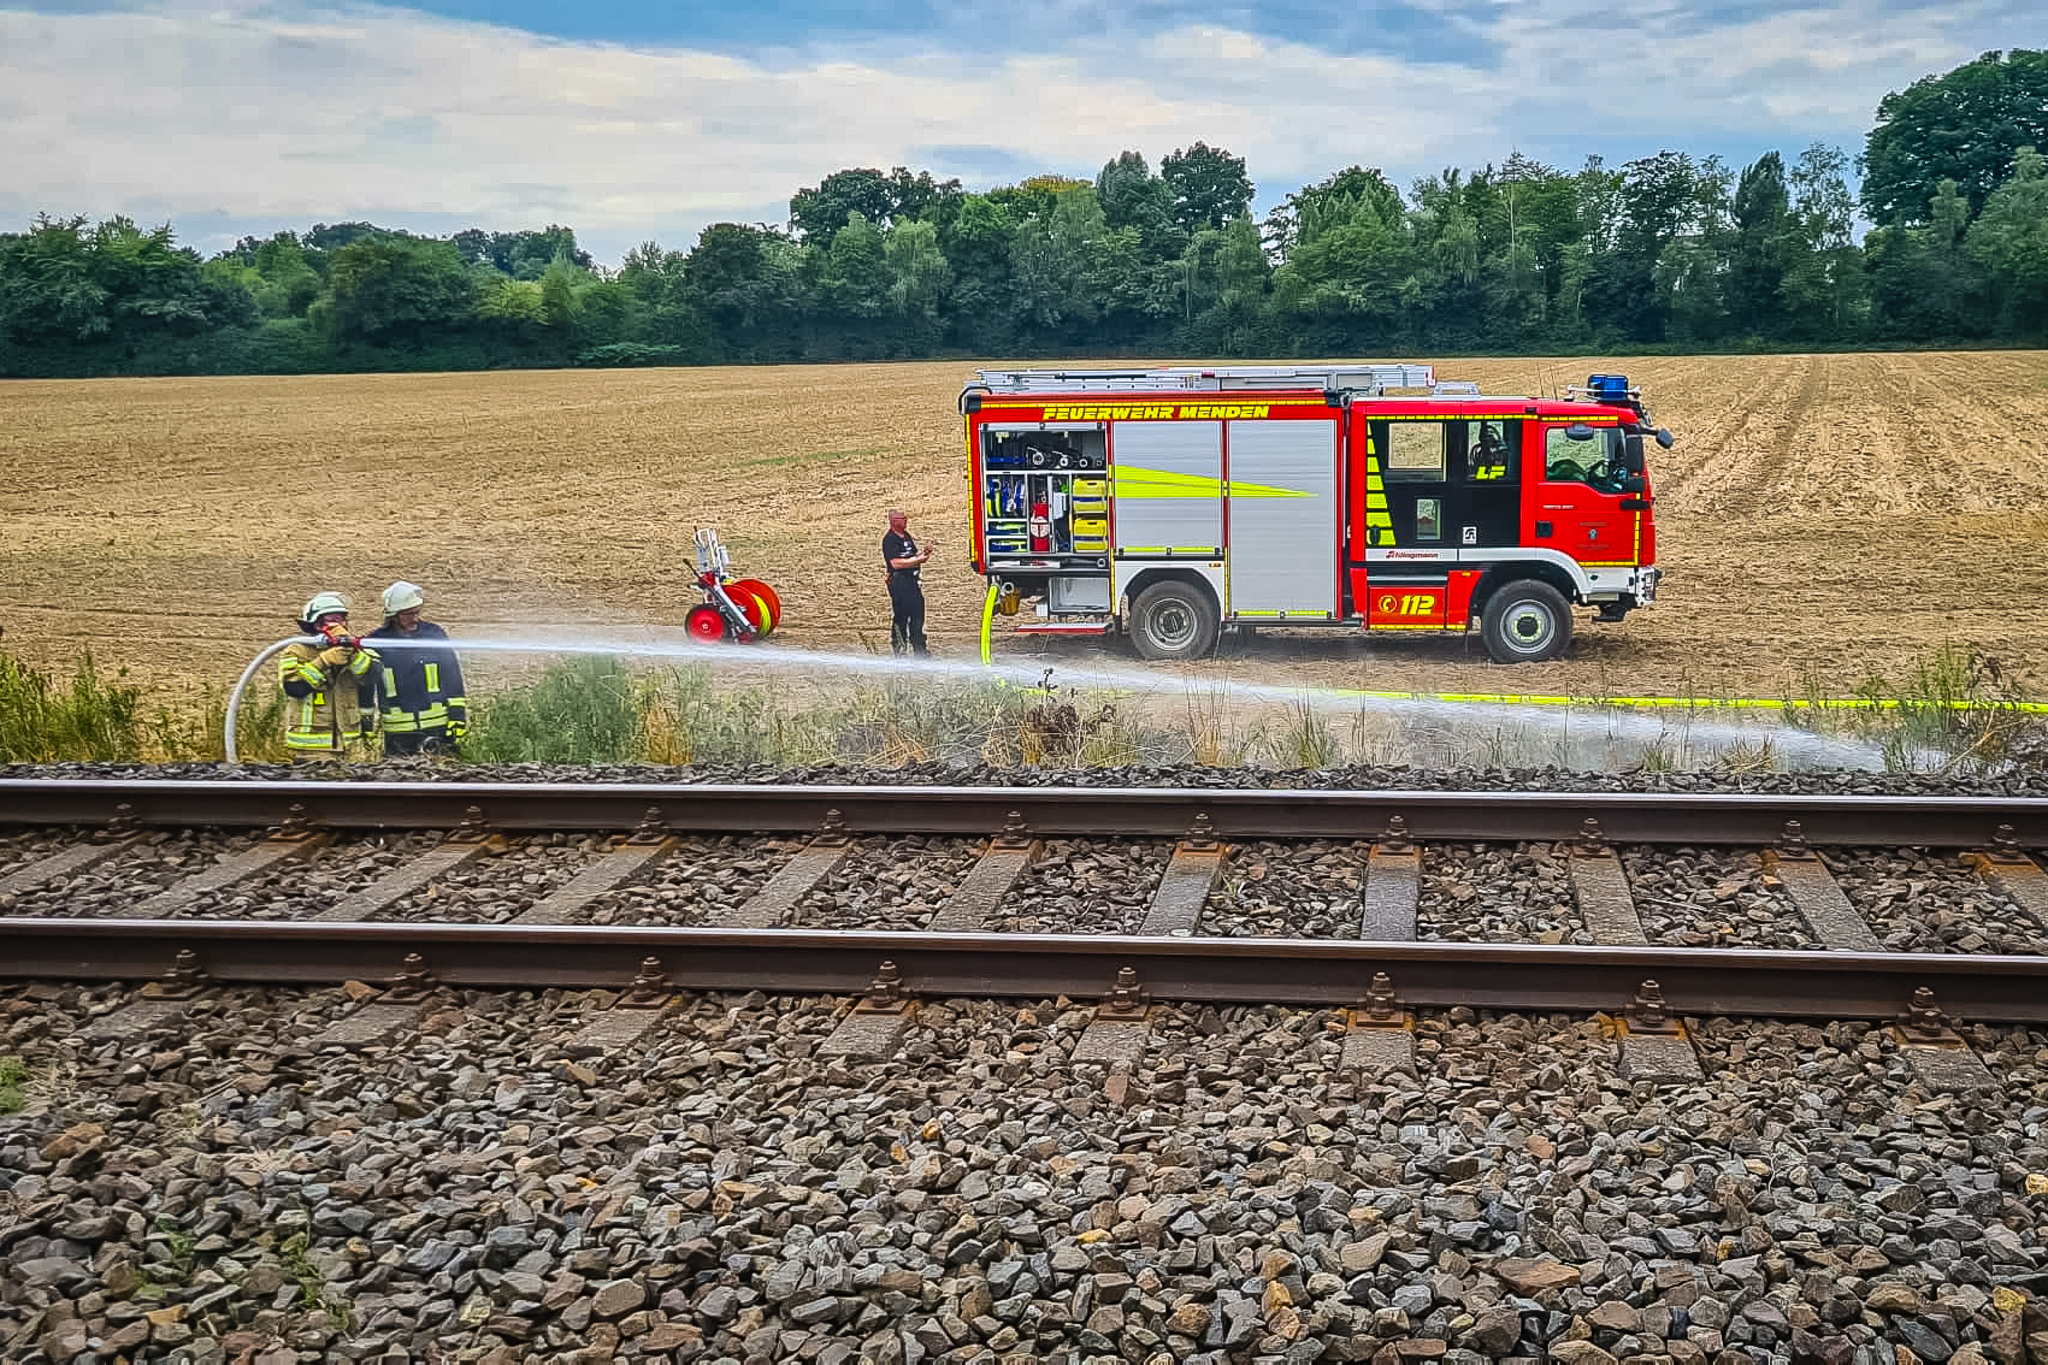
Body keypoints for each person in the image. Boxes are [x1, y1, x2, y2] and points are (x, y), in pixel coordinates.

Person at [368, 581, 469, 756]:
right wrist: (366, 722)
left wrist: (457, 715)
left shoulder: (434, 634)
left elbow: (451, 674)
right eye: (409, 614)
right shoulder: (377, 641)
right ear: (394, 615)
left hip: (439, 725)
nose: (415, 618)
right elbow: (366, 684)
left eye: (417, 612)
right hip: (399, 732)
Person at [278, 592, 378, 760]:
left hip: (350, 746)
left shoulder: (357, 651)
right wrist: (323, 661)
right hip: (310, 747)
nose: (340, 624)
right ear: (317, 624)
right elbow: (294, 688)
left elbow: (373, 677)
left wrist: (353, 654)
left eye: (342, 619)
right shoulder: (297, 650)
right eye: (334, 619)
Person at [881, 508, 934, 657]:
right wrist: (917, 560)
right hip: (899, 582)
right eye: (902, 518)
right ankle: (900, 649)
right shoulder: (890, 540)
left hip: (913, 582)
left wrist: (923, 554)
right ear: (893, 521)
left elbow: (912, 556)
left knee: (918, 615)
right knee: (901, 616)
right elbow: (896, 563)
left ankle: (920, 649)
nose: (906, 520)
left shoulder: (906, 536)